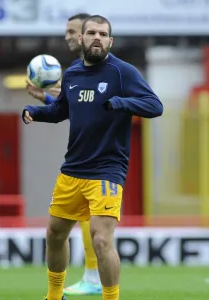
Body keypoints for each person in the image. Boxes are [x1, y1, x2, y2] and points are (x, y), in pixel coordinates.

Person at [22, 15, 163, 300]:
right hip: (73, 168)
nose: (97, 37)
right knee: (55, 233)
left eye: (103, 33)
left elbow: (154, 105)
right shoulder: (72, 73)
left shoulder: (122, 72)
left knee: (101, 238)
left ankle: (110, 297)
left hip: (107, 169)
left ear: (110, 41)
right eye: (92, 33)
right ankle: (54, 295)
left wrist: (120, 103)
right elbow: (62, 111)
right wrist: (35, 112)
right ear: (82, 39)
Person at [26, 13, 103, 297]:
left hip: (102, 159)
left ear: (84, 33)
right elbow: (71, 106)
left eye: (71, 31)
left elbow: (89, 100)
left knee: (94, 224)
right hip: (84, 157)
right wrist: (46, 99)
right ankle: (86, 278)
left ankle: (94, 277)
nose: (67, 37)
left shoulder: (101, 67)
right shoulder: (75, 71)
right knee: (71, 224)